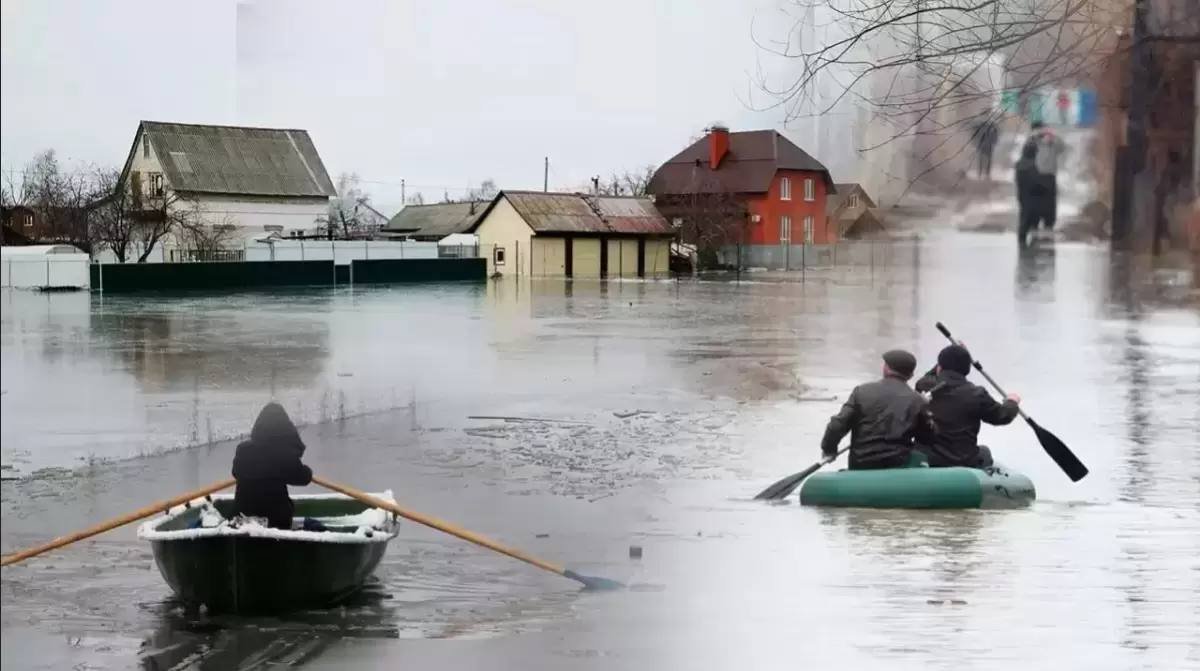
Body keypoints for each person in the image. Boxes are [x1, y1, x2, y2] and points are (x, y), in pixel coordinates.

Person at [820, 350, 937, 470]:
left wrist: (829, 450)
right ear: (911, 375)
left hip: (861, 464)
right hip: (898, 465)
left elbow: (837, 425)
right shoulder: (917, 400)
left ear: (886, 368)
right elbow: (927, 438)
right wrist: (924, 409)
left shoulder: (861, 392)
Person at [914, 345, 1021, 469]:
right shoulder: (977, 394)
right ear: (967, 369)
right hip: (963, 459)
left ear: (939, 367)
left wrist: (945, 361)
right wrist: (1012, 402)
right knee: (984, 452)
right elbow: (1002, 416)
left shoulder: (924, 386)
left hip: (928, 458)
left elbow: (931, 374)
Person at [232, 402, 313, 529]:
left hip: (243, 519)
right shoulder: (284, 454)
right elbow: (303, 478)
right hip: (276, 522)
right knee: (313, 525)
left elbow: (235, 473)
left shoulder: (243, 449)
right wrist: (308, 471)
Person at [1022, 121, 1067, 239]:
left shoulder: (1052, 142)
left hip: (1049, 176)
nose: (1041, 132)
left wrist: (1052, 136)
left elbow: (1062, 147)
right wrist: (1035, 136)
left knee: (1050, 203)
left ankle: (1049, 222)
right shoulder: (1032, 141)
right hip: (1035, 176)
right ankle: (1034, 223)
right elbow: (1026, 151)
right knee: (1035, 202)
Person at [1015, 143, 1052, 247]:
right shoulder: (1031, 166)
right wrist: (1045, 187)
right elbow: (1035, 182)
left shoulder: (1020, 164)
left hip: (1023, 195)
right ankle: (1028, 243)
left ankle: (1023, 240)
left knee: (1024, 217)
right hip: (1033, 197)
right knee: (1031, 219)